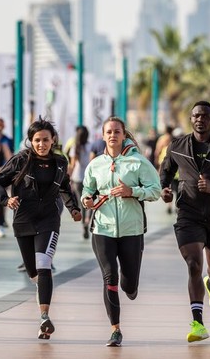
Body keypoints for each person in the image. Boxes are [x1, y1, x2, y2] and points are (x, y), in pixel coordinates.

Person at [0, 117, 81, 340]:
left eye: (46, 140)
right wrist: (6, 200)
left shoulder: (60, 162)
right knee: (34, 272)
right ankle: (42, 296)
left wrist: (74, 208)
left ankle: (44, 317)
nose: (41, 144)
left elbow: (66, 187)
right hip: (23, 220)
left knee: (44, 265)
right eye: (37, 140)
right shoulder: (21, 160)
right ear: (31, 141)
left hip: (49, 220)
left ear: (53, 140)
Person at [159, 101, 210, 343]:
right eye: (195, 116)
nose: (199, 119)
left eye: (205, 116)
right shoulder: (178, 146)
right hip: (188, 214)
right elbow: (166, 170)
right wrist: (165, 188)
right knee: (194, 264)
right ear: (190, 118)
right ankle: (198, 323)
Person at [81, 116, 161, 347]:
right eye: (109, 132)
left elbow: (155, 190)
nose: (113, 135)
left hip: (131, 230)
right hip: (102, 228)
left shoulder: (138, 163)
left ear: (124, 134)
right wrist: (86, 199)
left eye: (117, 131)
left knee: (128, 283)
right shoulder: (95, 164)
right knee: (109, 277)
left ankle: (131, 287)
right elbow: (87, 189)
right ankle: (115, 329)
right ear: (103, 136)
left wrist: (132, 191)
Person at [68, 125, 92, 239]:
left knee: (81, 201)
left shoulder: (75, 147)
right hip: (89, 178)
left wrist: (69, 178)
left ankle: (84, 225)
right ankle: (88, 220)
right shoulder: (90, 146)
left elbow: (72, 165)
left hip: (77, 177)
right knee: (90, 201)